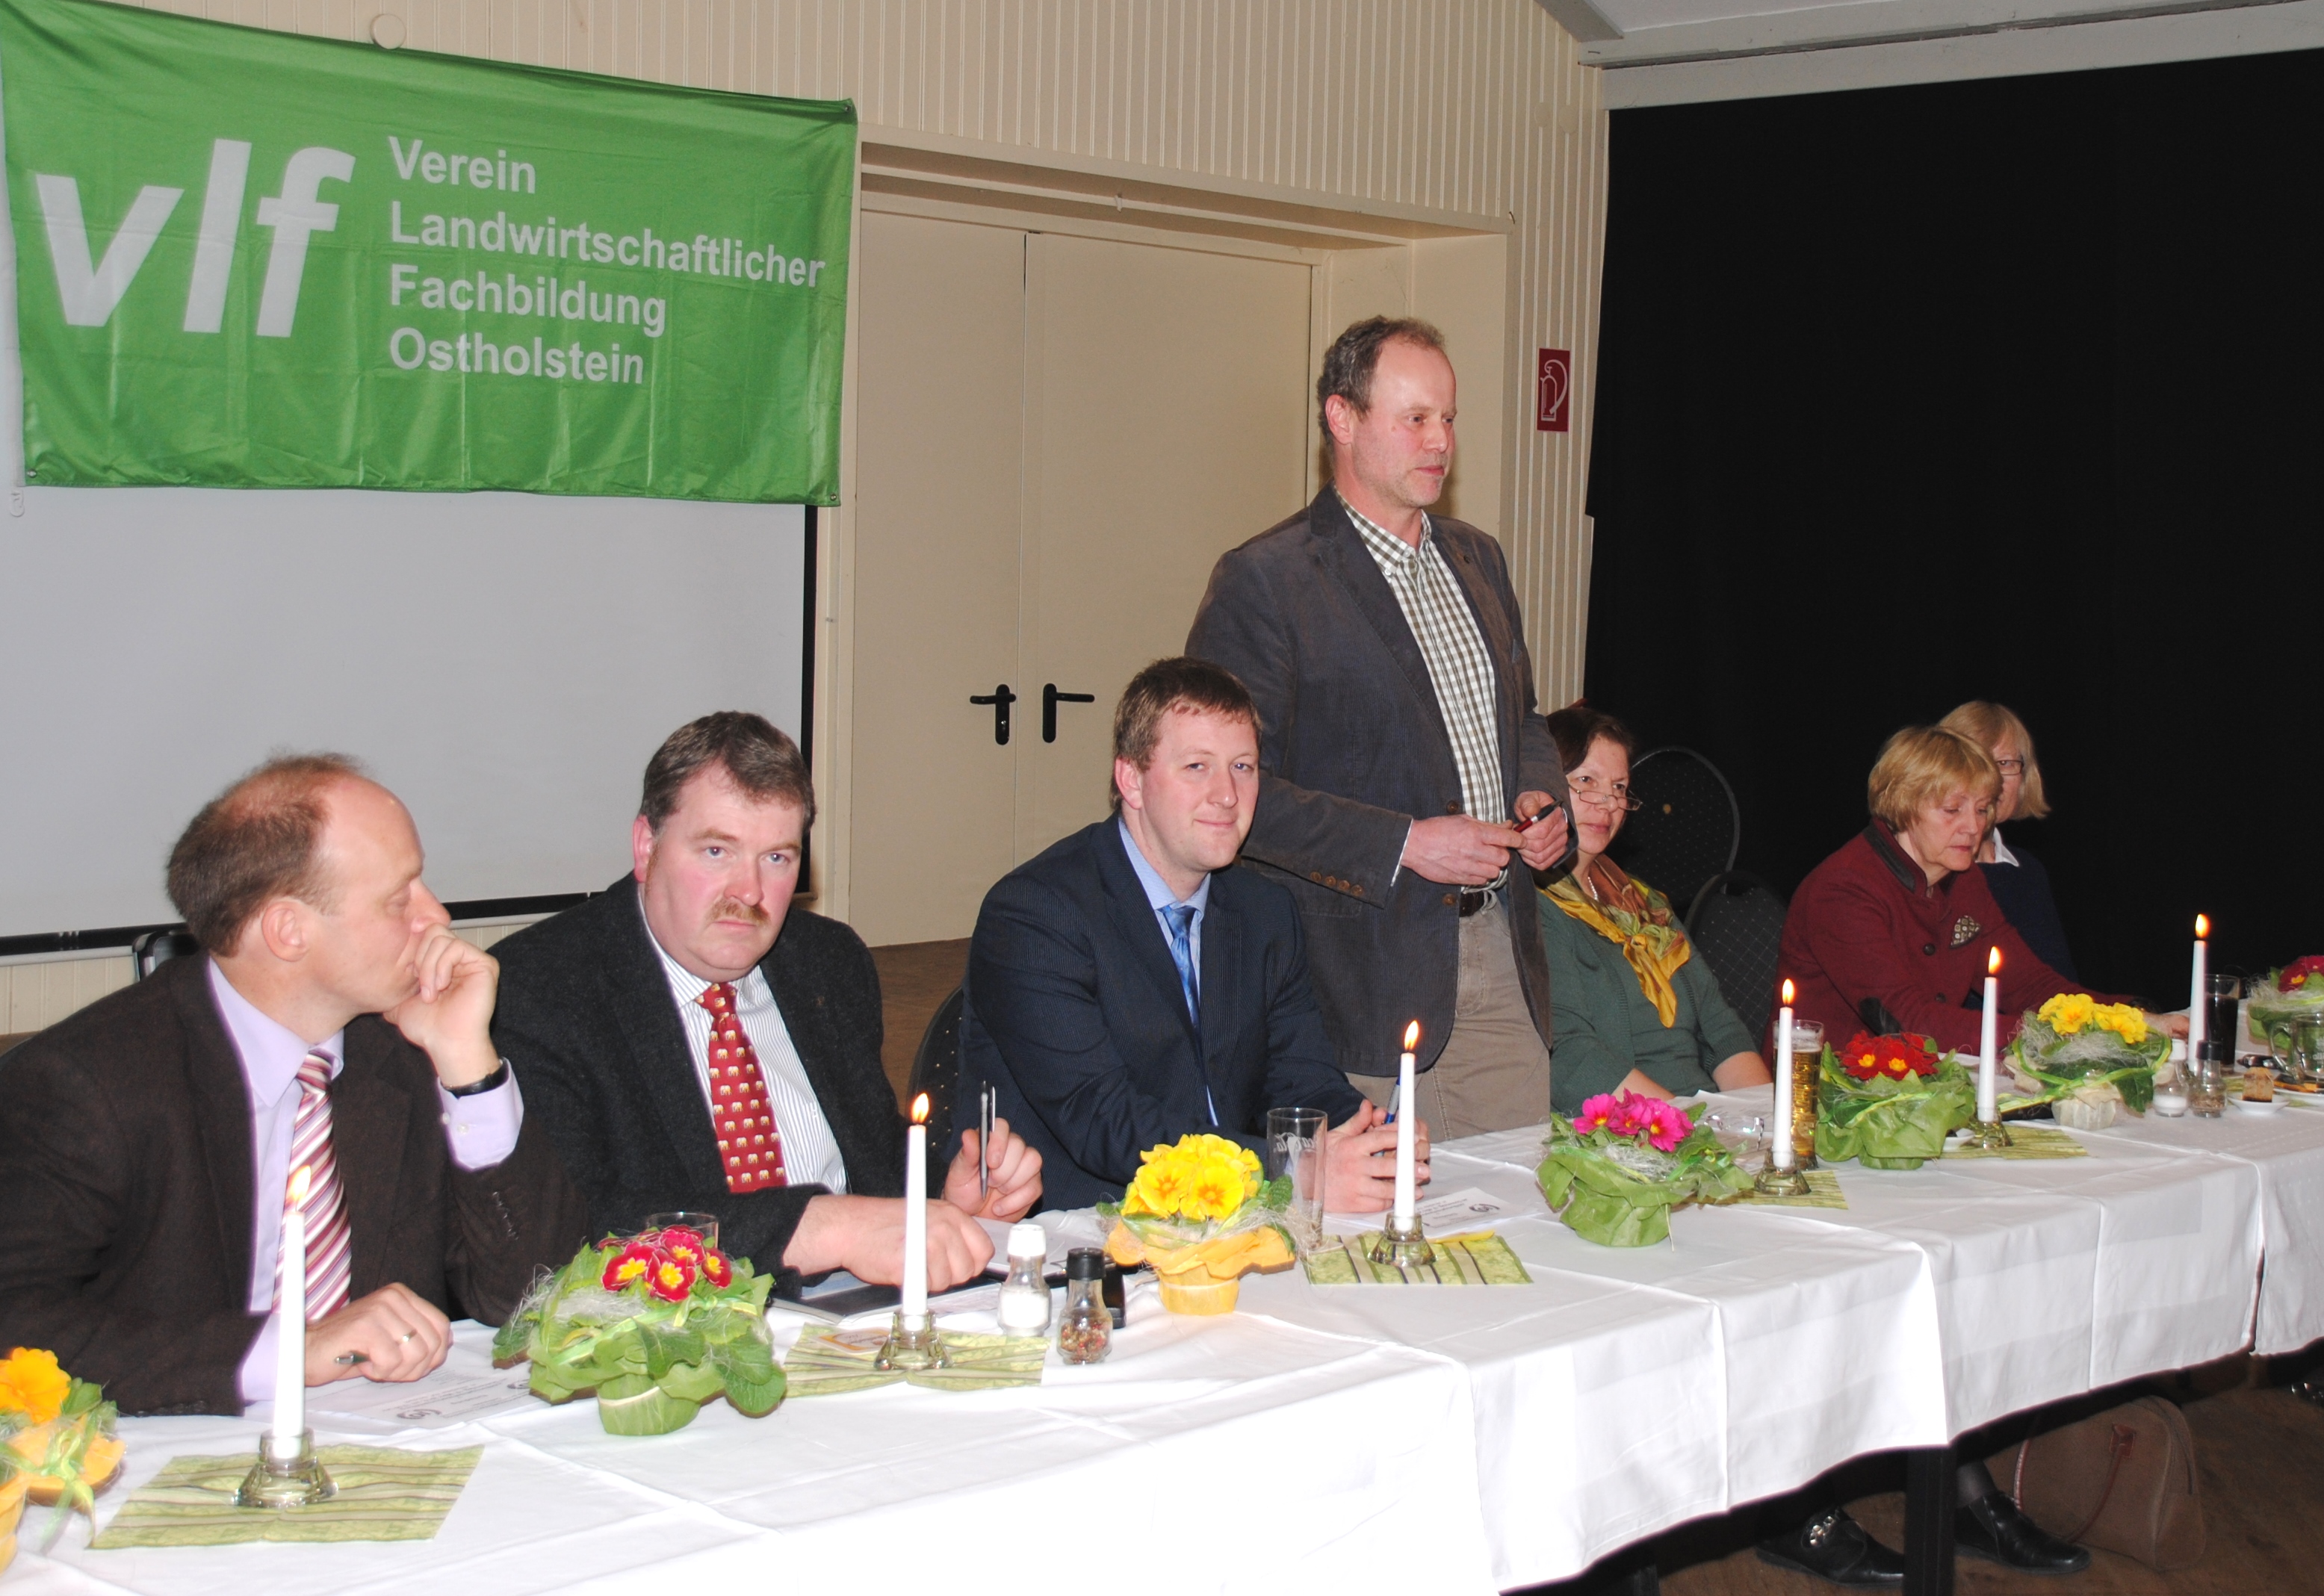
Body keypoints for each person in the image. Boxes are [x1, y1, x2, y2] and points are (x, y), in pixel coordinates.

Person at [0, 755, 589, 1416]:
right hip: (171, 1440)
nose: (436, 914)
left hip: (386, 1436)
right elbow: (16, 1322)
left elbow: (535, 1299)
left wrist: (469, 1067)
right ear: (288, 931)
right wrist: (287, 1350)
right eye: (399, 899)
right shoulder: (87, 1083)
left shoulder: (406, 1050)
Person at [492, 712, 1041, 1300]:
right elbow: (570, 1231)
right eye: (716, 851)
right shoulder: (542, 988)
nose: (749, 892)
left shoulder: (826, 962)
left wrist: (943, 1199)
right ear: (646, 847)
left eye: (777, 858)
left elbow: (873, 1168)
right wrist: (814, 1227)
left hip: (860, 1313)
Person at [1187, 315, 1574, 1137]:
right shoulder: (1268, 580)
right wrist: (1404, 842)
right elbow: (1225, 792)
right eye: (1415, 418)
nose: (1441, 442)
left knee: (1517, 1204)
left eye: (1449, 418)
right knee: (1373, 1217)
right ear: (1343, 417)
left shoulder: (1479, 558)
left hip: (1501, 949)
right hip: (1357, 976)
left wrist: (1542, 798)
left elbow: (1523, 719)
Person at [963, 656, 1413, 1213]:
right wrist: (1291, 1174)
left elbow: (1300, 1077)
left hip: (1236, 1220)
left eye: (1243, 767)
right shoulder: (1035, 913)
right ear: (1131, 780)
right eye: (1197, 766)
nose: (1227, 794)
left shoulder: (1264, 911)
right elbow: (1103, 1119)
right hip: (1087, 1225)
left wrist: (1365, 1136)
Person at [1779, 724, 2174, 1059]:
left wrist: (2130, 1017)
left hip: (1920, 1089)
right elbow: (1907, 1021)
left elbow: (2031, 986)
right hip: (1828, 1098)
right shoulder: (1843, 889)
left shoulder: (1965, 879)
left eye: (1982, 809)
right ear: (1903, 805)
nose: (1973, 827)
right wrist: (2063, 1037)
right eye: (1953, 810)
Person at [1537, 707, 1768, 1113]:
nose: (1608, 803)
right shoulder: (1535, 906)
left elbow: (1722, 1029)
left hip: (1699, 1119)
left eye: (1619, 787)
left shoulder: (1646, 902)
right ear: (1541, 785)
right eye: (1586, 781)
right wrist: (1686, 1127)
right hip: (1625, 1128)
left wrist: (1766, 1115)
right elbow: (1571, 1058)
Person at [1939, 700, 2074, 980]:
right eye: (1979, 762)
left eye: (2005, 763)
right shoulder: (1931, 871)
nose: (1995, 779)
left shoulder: (2029, 871)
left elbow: (2058, 982)